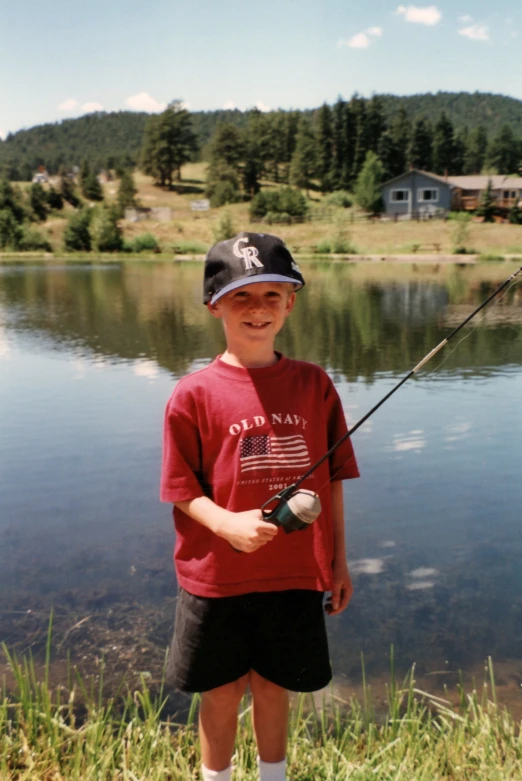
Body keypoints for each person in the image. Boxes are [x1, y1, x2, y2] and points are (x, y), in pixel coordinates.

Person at [161, 232, 359, 781]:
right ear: (214, 305)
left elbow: (335, 480)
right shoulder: (193, 394)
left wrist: (338, 563)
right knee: (221, 692)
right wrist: (225, 522)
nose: (258, 309)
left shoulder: (315, 385)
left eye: (273, 295)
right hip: (216, 580)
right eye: (242, 296)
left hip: (294, 576)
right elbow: (180, 488)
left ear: (291, 302)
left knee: (276, 687)